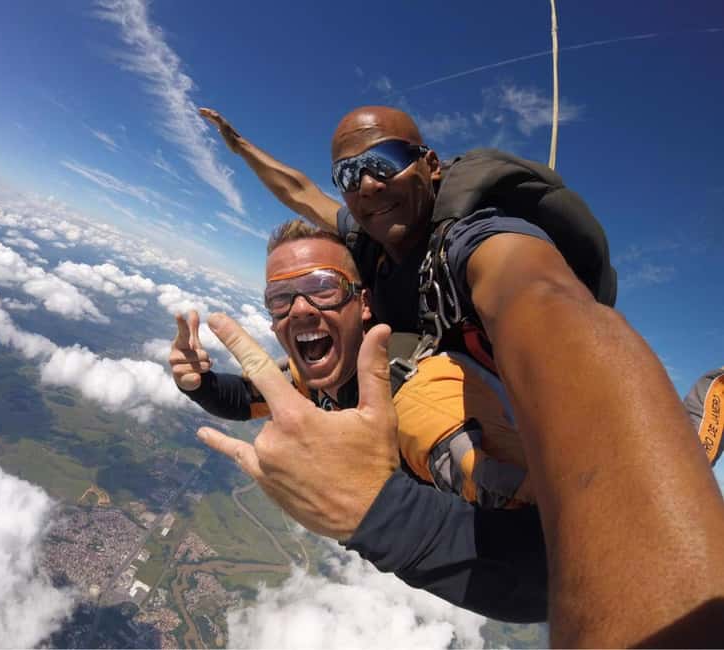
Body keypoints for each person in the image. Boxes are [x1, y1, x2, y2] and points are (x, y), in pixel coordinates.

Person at [196, 107, 724, 645]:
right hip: (430, 374)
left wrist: (645, 530)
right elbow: (299, 190)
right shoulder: (370, 236)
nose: (368, 184)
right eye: (349, 174)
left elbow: (546, 301)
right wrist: (240, 146)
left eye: (384, 161)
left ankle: (681, 439)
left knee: (506, 478)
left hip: (498, 395)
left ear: (430, 164)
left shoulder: (480, 240)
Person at [173, 220, 546, 622]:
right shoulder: (311, 377)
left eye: (322, 287)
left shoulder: (421, 401)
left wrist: (378, 514)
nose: (300, 308)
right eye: (281, 297)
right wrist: (201, 383)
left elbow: (560, 566)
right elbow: (247, 398)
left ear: (362, 303)